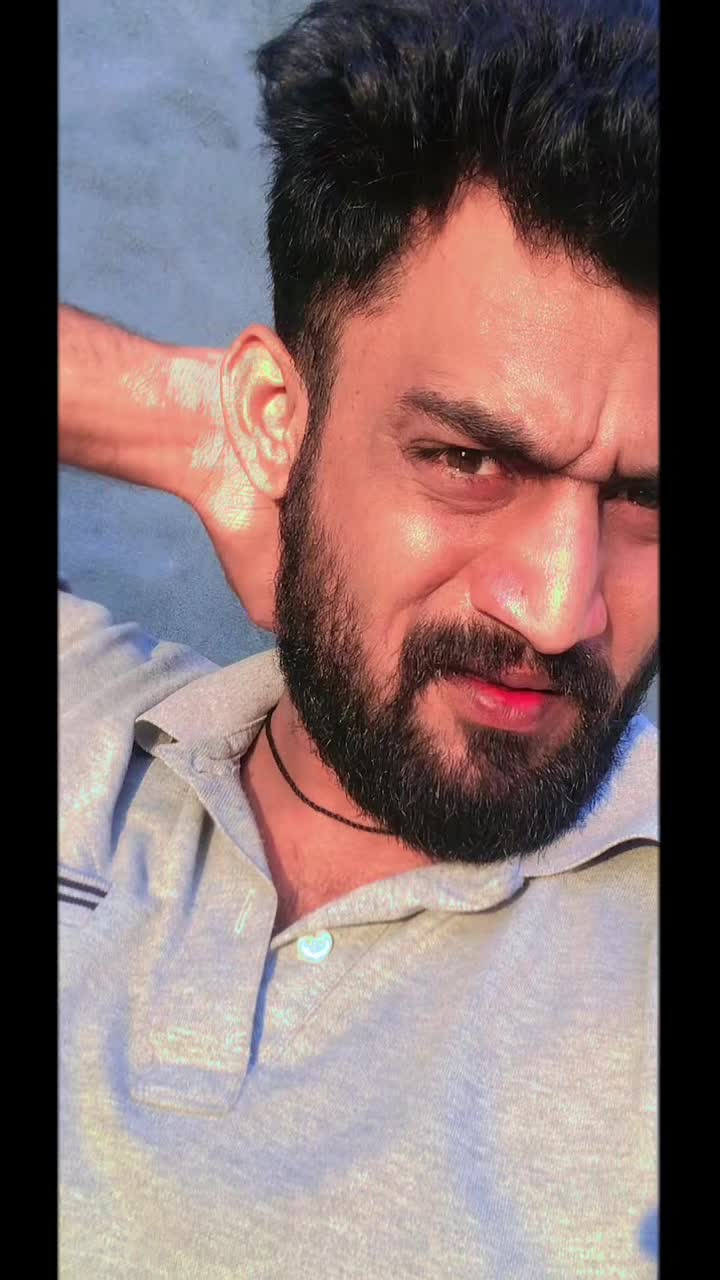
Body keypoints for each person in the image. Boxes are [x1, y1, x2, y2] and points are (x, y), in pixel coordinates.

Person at [59, 0, 659, 1275]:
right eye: (467, 459)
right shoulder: (82, 716)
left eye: (645, 498)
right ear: (277, 417)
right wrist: (198, 431)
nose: (561, 607)